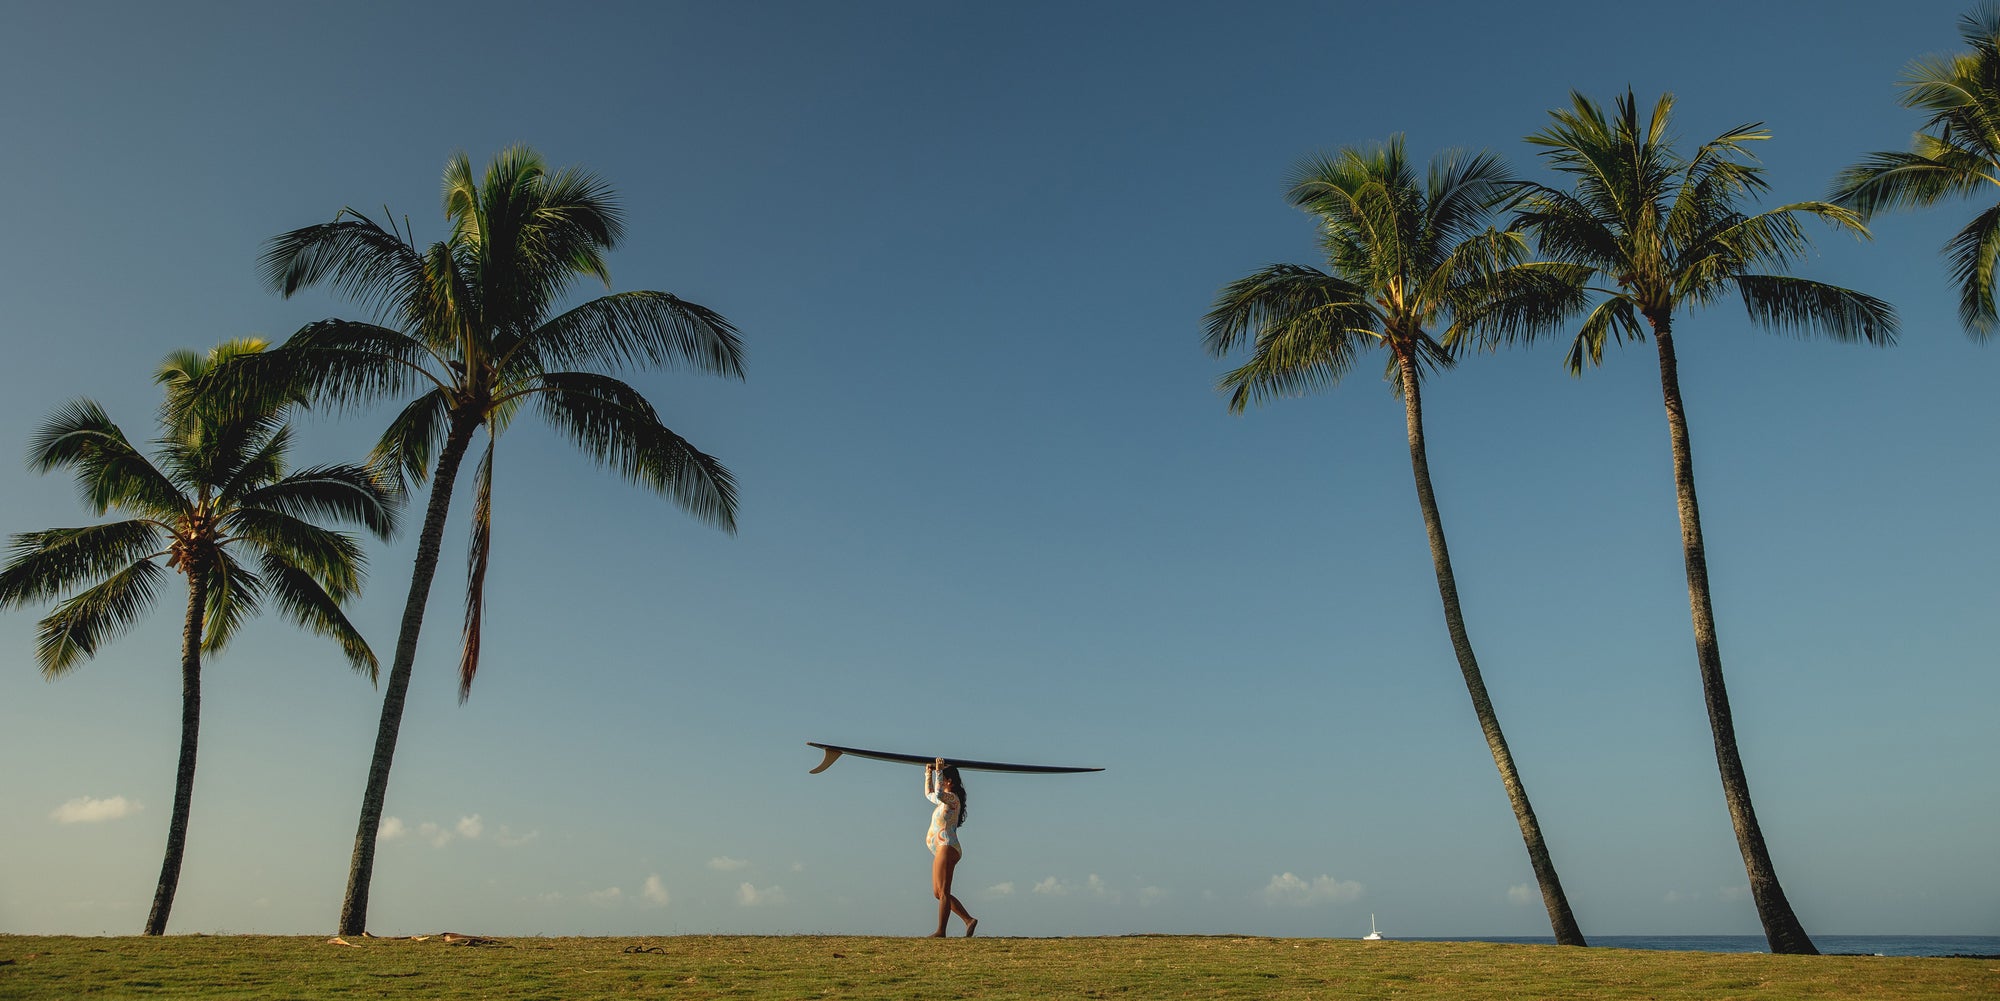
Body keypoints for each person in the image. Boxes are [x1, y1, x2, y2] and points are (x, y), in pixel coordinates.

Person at [924, 758, 977, 937]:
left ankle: (941, 930)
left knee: (944, 891)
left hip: (947, 846)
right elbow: (930, 793)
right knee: (938, 893)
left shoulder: (952, 799)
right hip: (942, 848)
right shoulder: (943, 801)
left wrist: (938, 771)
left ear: (949, 781)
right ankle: (968, 920)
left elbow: (938, 793)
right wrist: (928, 773)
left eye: (943, 778)